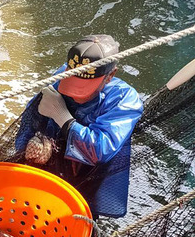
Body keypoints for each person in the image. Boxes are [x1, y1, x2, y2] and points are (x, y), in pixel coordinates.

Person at [15, 35, 143, 218]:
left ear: (110, 76)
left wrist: (62, 117)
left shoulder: (124, 99)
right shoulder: (61, 77)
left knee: (78, 213)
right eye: (73, 82)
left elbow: (100, 149)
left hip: (90, 173)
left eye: (86, 87)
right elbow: (29, 123)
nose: (76, 94)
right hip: (53, 161)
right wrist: (35, 141)